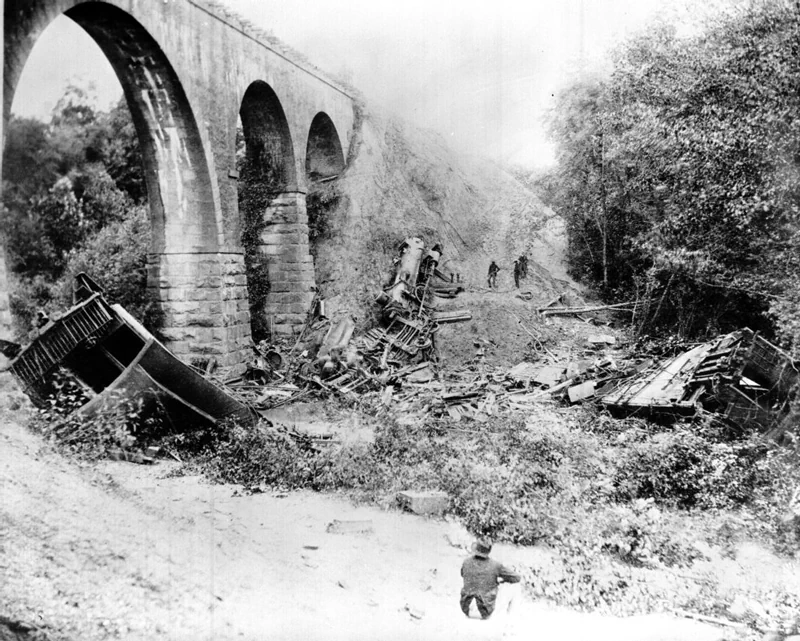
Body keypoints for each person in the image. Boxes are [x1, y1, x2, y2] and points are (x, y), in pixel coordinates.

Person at [460, 539, 520, 619]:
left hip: (466, 608)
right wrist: (502, 580)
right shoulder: (495, 565)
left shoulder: (466, 562)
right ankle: (510, 620)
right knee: (516, 586)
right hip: (484, 611)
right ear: (488, 552)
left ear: (476, 549)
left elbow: (462, 574)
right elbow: (517, 577)